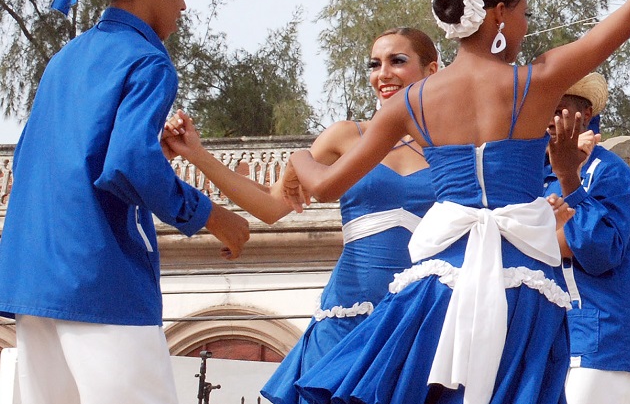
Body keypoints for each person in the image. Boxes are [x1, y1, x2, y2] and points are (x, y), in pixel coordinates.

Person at [281, 0, 630, 404]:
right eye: (522, 12)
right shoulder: (533, 84)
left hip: (438, 281)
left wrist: (299, 159)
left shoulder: (413, 102)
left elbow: (324, 185)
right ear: (497, 14)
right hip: (523, 279)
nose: (525, 23)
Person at [0, 0, 251, 404]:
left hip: (34, 278)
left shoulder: (66, 59)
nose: (182, 5)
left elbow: (48, 158)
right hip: (101, 277)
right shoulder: (147, 59)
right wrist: (214, 216)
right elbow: (129, 163)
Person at [172, 28, 442, 404]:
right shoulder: (345, 136)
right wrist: (197, 154)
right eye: (374, 64)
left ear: (432, 70)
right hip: (348, 311)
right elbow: (270, 206)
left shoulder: (454, 144)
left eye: (398, 61)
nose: (383, 73)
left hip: (421, 311)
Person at [545, 72, 630, 403]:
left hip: (606, 343)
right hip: (562, 343)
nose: (549, 118)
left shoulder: (608, 171)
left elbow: (598, 252)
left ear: (585, 115)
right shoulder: (540, 173)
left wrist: (570, 182)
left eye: (558, 109)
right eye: (543, 108)